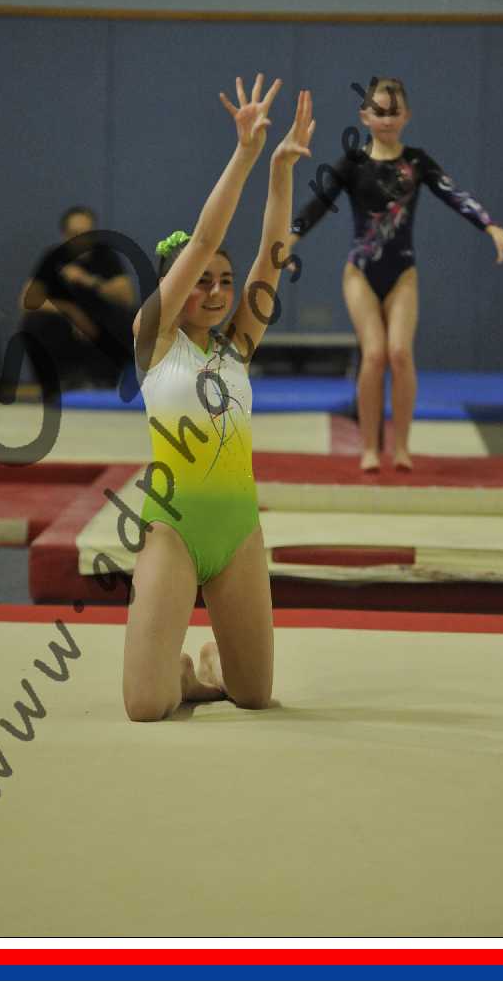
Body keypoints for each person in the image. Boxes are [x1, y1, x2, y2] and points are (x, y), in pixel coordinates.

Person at [123, 76, 315, 722]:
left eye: (225, 282)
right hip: (173, 531)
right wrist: (245, 153)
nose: (216, 291)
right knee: (147, 706)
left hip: (238, 530)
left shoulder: (236, 348)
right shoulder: (153, 340)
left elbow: (272, 256)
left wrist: (282, 171)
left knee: (254, 696)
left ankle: (207, 667)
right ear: (174, 289)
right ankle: (178, 672)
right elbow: (205, 240)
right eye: (201, 282)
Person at [286, 78, 503, 472]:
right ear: (364, 116)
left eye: (394, 112)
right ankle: (369, 447)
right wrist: (288, 240)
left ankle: (401, 446)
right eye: (379, 112)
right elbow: (318, 203)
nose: (386, 119)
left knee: (400, 354)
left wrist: (491, 228)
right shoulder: (353, 163)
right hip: (359, 273)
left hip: (402, 273)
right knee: (374, 354)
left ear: (407, 116)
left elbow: (454, 194)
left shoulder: (417, 162)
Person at [19, 205, 135, 399]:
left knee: (127, 319)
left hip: (100, 324)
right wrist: (71, 312)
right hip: (66, 325)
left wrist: (89, 280)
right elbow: (26, 300)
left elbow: (128, 296)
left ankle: (105, 380)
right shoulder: (53, 257)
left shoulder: (106, 256)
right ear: (64, 236)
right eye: (75, 234)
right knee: (33, 322)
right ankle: (57, 383)